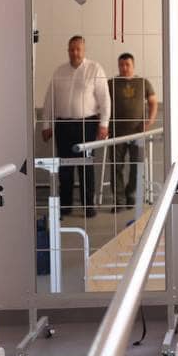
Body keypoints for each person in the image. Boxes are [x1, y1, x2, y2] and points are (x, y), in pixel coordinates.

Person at [41, 35, 110, 218]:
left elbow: (105, 99)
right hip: (63, 126)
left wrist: (104, 124)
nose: (75, 53)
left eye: (78, 49)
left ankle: (88, 206)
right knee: (65, 168)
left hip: (87, 125)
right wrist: (46, 124)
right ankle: (65, 206)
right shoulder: (59, 72)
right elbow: (49, 100)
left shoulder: (95, 68)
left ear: (84, 50)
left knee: (86, 167)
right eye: (72, 49)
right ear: (68, 51)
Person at [109, 51, 158, 207]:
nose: (124, 68)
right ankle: (119, 199)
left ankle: (130, 194)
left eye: (127, 65)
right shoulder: (111, 83)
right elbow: (102, 104)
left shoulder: (143, 82)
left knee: (137, 165)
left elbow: (153, 102)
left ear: (133, 66)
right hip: (116, 132)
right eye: (121, 65)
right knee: (116, 166)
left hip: (137, 132)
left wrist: (150, 120)